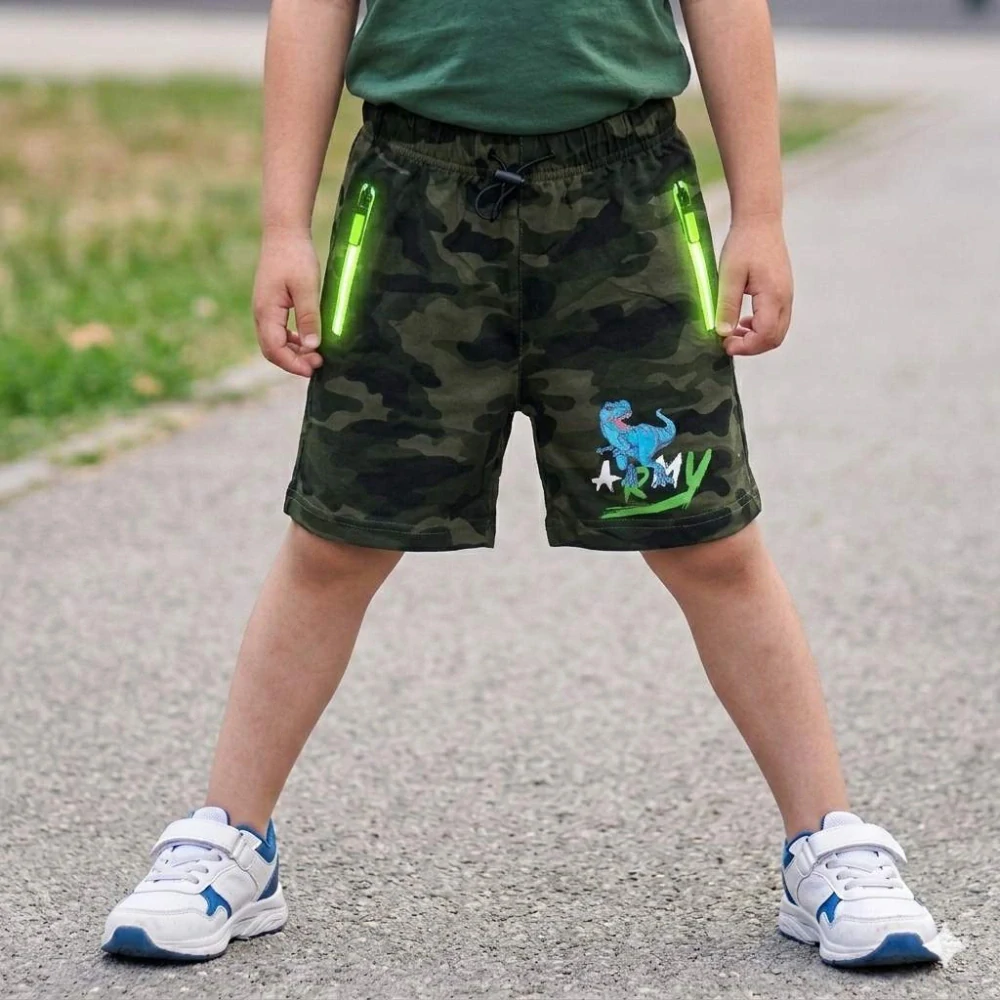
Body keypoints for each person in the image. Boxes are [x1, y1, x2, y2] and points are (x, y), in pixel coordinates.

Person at [101, 0, 941, 970]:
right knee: (338, 536)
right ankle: (229, 839)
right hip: (412, 202)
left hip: (624, 201)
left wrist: (761, 214)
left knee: (706, 538)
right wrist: (283, 225)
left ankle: (827, 844)